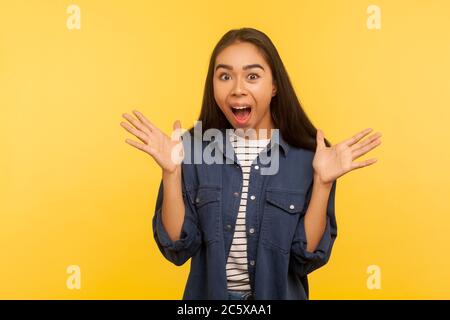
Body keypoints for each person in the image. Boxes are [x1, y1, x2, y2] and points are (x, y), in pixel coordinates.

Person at [120, 27, 382, 300]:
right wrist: (171, 173)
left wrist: (323, 184)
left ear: (274, 85)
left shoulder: (310, 157)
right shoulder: (190, 151)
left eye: (252, 76)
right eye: (224, 76)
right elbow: (176, 247)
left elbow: (305, 258)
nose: (237, 89)